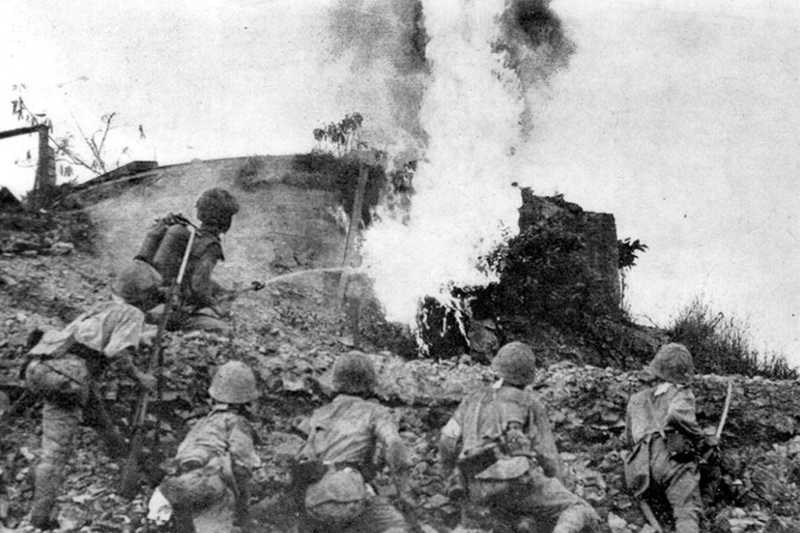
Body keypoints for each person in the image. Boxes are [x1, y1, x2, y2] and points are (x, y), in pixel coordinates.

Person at [439, 341, 599, 533]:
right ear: (528, 377)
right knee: (577, 508)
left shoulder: (473, 398)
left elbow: (447, 441)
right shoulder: (529, 402)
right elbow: (548, 457)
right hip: (516, 484)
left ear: (498, 368)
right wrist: (560, 487)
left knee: (489, 520)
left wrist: (450, 477)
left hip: (476, 485)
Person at [24, 298, 157, 529]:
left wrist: (141, 338)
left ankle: (122, 454)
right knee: (55, 454)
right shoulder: (133, 313)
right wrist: (141, 378)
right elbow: (117, 352)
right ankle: (39, 518)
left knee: (100, 420)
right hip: (69, 379)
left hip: (44, 368)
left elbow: (89, 340)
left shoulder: (104, 306)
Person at [292, 352, 413, 533]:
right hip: (349, 496)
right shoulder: (376, 412)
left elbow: (303, 458)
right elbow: (394, 446)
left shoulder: (320, 414)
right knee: (397, 526)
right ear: (369, 382)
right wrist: (404, 491)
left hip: (314, 501)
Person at [149, 360, 261, 533]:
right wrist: (243, 514)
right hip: (206, 488)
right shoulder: (238, 423)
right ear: (246, 400)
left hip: (168, 491)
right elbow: (241, 468)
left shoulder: (202, 423)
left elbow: (181, 457)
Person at [112, 187, 241, 335]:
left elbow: (184, 273)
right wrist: (215, 306)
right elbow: (198, 285)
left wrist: (222, 290)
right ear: (224, 219)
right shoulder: (210, 245)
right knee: (222, 329)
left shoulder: (181, 231)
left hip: (130, 296)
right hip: (159, 309)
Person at [624, 343, 716, 533]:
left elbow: (628, 439)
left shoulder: (637, 398)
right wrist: (701, 437)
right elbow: (676, 415)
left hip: (638, 469)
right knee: (686, 510)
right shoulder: (682, 394)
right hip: (667, 461)